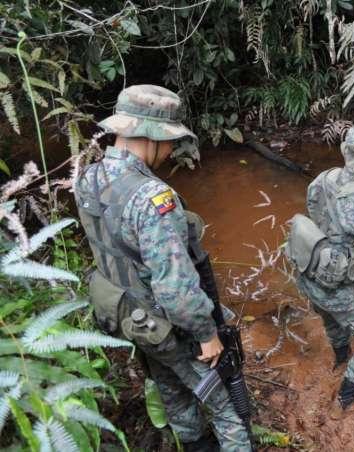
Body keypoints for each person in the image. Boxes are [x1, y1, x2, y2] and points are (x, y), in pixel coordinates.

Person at [74, 85, 251, 451]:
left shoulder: (88, 178)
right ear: (149, 136)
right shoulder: (153, 199)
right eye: (169, 141)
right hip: (162, 321)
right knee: (226, 408)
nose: (172, 150)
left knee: (171, 386)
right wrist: (207, 335)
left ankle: (192, 441)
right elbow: (176, 288)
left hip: (123, 312)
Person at [286, 120, 354, 415]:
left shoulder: (325, 177)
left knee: (332, 321)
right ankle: (349, 394)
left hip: (310, 273)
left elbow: (315, 213)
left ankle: (339, 358)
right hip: (344, 289)